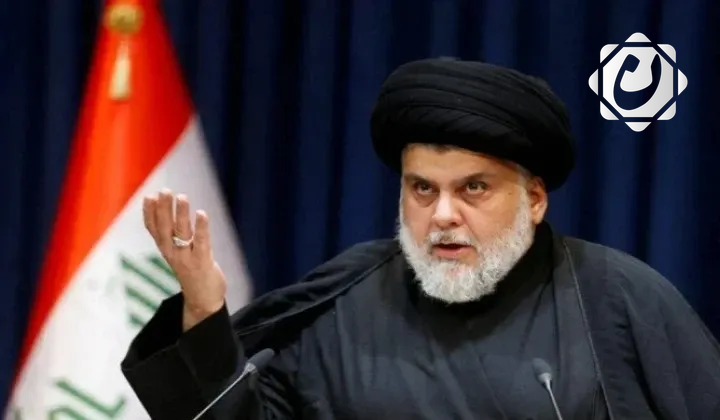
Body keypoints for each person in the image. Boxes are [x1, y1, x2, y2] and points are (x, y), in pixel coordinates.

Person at [120, 58, 720, 419]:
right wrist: (204, 311)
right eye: (422, 189)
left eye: (474, 188)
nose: (443, 215)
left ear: (534, 199)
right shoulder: (345, 302)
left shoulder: (618, 299)